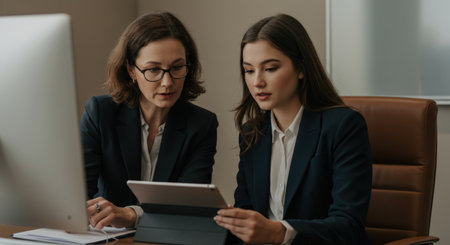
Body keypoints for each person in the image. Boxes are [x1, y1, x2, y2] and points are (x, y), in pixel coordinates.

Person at [214, 14, 372, 244]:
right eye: (249, 70)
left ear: (300, 69)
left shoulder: (343, 127)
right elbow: (246, 212)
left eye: (270, 68)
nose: (257, 81)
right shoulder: (252, 133)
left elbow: (349, 226)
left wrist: (280, 232)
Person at [80, 12, 218, 229]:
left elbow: (189, 208)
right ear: (131, 70)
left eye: (177, 67)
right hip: (107, 237)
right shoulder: (100, 112)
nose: (167, 82)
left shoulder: (201, 124)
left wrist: (132, 215)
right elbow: (78, 195)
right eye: (154, 69)